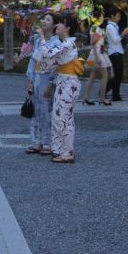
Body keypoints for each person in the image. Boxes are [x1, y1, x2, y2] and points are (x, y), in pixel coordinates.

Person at [42, 13, 84, 164]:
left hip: (68, 83)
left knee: (62, 117)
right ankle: (61, 149)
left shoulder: (67, 44)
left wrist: (42, 38)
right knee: (62, 117)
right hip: (64, 82)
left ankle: (66, 151)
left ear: (67, 28)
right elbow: (48, 64)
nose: (57, 26)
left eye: (60, 23)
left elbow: (47, 54)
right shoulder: (66, 44)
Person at [24, 12, 60, 155]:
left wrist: (51, 82)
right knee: (36, 110)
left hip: (47, 78)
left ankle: (48, 142)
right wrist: (30, 79)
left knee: (47, 110)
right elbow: (33, 60)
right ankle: (37, 141)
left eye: (48, 19)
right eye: (44, 18)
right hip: (38, 77)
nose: (44, 21)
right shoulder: (39, 40)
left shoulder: (57, 43)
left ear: (54, 25)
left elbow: (54, 62)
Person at [81, 19, 112, 106]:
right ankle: (102, 97)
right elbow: (93, 42)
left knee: (93, 75)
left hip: (98, 53)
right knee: (104, 75)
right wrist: (97, 56)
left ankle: (86, 97)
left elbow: (98, 42)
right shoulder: (95, 27)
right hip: (96, 54)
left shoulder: (97, 28)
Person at [105, 9, 128, 102]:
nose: (119, 18)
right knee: (116, 76)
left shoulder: (114, 26)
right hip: (114, 53)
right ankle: (104, 92)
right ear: (112, 16)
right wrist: (123, 33)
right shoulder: (109, 27)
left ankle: (115, 95)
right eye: (118, 16)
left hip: (117, 52)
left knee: (118, 75)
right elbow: (115, 39)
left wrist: (124, 33)